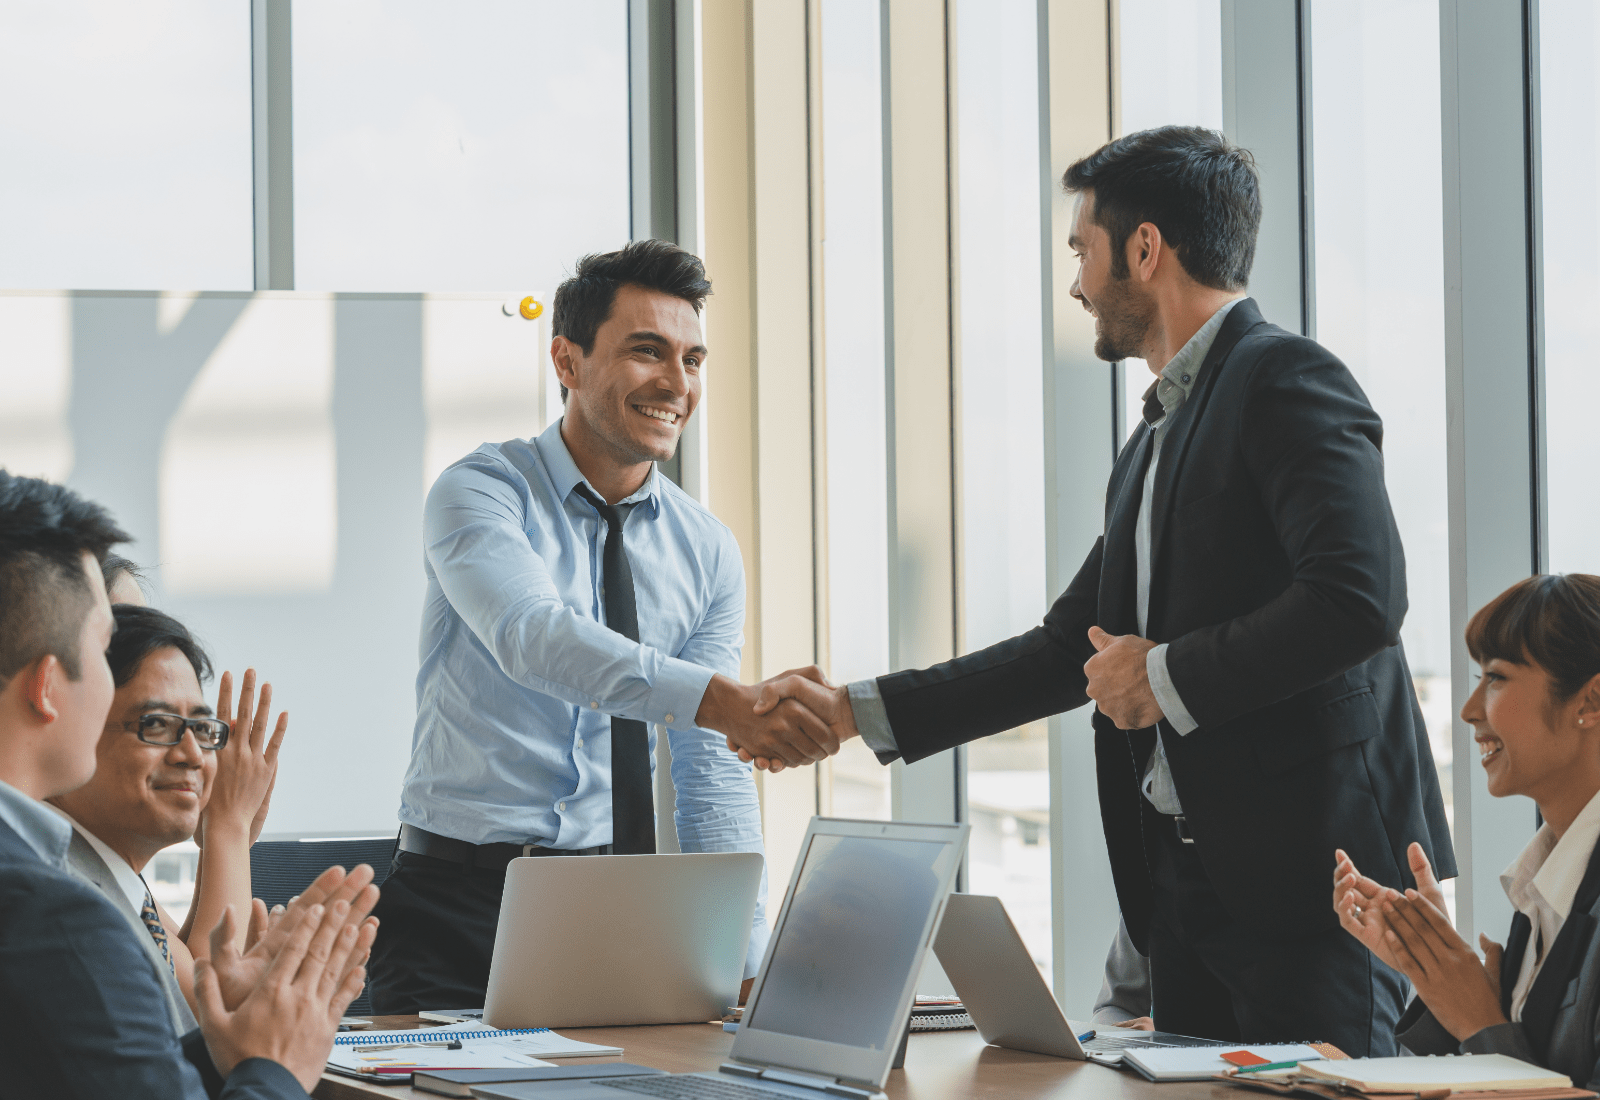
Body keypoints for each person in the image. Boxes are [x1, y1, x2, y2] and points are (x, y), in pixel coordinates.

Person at [739, 126, 1453, 1055]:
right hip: (1190, 900)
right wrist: (849, 713)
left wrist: (1164, 677)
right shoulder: (1154, 439)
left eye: (1082, 249)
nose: (1076, 283)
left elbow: (1359, 596)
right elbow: (1063, 650)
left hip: (1317, 894)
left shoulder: (1285, 378)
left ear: (1144, 249)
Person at [371, 239, 839, 1014]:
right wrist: (724, 702)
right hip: (453, 904)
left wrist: (745, 948)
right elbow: (533, 637)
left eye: (693, 359)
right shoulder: (482, 492)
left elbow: (711, 766)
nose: (676, 383)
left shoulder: (706, 548)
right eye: (647, 352)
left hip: (611, 908)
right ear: (567, 360)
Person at [0, 469, 378, 1097]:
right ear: (47, 685)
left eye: (202, 728)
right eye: (104, 646)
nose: (192, 754)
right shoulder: (59, 916)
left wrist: (223, 1046)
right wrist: (277, 1066)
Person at [1337, 575, 1600, 1086]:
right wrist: (1437, 973)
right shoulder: (1541, 890)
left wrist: (1480, 1021)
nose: (1468, 710)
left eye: (1496, 678)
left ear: (1589, 703)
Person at [49, 603, 286, 1023]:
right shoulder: (65, 896)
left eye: (202, 728)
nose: (192, 754)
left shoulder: (110, 873)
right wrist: (228, 826)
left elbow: (182, 977)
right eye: (157, 724)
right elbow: (206, 1017)